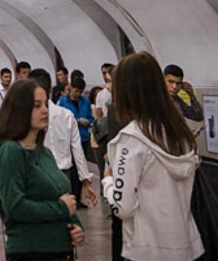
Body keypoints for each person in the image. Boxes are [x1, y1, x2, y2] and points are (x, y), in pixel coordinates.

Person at [102, 51, 203, 261]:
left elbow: (122, 207)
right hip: (185, 246)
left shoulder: (132, 140)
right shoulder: (179, 133)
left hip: (146, 250)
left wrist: (108, 181)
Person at [0, 79, 84, 259]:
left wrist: (75, 226)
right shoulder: (11, 151)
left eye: (45, 104)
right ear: (19, 110)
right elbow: (15, 206)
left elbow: (62, 196)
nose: (45, 110)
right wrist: (61, 208)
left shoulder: (44, 152)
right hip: (31, 251)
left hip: (59, 251)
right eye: (37, 106)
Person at [29, 68, 98, 209]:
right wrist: (86, 181)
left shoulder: (27, 117)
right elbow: (77, 150)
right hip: (63, 176)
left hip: (37, 175)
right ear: (50, 89)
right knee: (64, 216)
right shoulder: (66, 115)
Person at [57, 74, 93, 206]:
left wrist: (87, 121)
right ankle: (70, 196)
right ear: (71, 88)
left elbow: (91, 118)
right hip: (67, 139)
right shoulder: (62, 102)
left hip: (82, 137)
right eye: (76, 90)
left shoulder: (86, 102)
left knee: (80, 168)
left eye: (80, 92)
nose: (78, 94)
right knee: (70, 169)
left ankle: (77, 198)